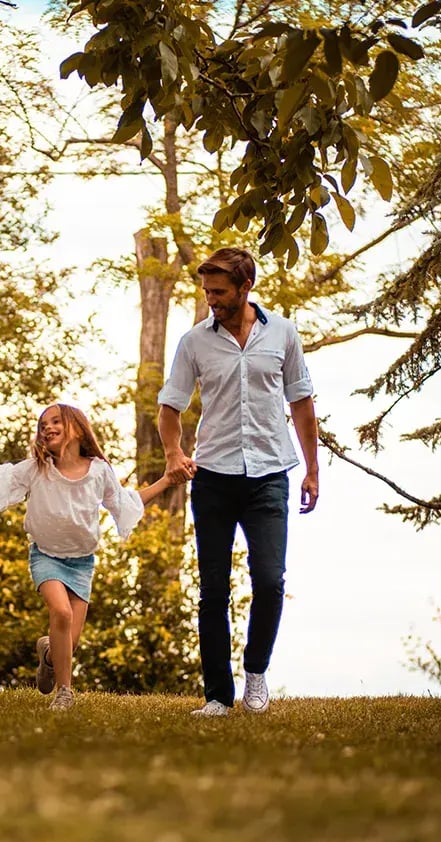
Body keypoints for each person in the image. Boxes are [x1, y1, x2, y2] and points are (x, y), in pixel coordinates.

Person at [158, 247, 318, 717]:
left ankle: (256, 673)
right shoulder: (194, 342)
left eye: (219, 291)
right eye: (207, 291)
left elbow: (302, 402)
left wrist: (312, 469)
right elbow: (170, 406)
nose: (211, 299)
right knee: (213, 589)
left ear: (246, 288)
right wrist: (173, 452)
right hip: (213, 477)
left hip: (270, 474)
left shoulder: (283, 333)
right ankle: (216, 697)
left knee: (269, 580)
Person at [0, 404, 174, 710]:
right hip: (46, 556)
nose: (47, 427)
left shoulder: (98, 470)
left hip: (82, 564)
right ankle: (65, 692)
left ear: (76, 428)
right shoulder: (36, 468)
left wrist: (167, 480)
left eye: (55, 421)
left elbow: (126, 502)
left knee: (67, 644)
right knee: (62, 613)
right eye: (42, 424)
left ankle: (47, 653)